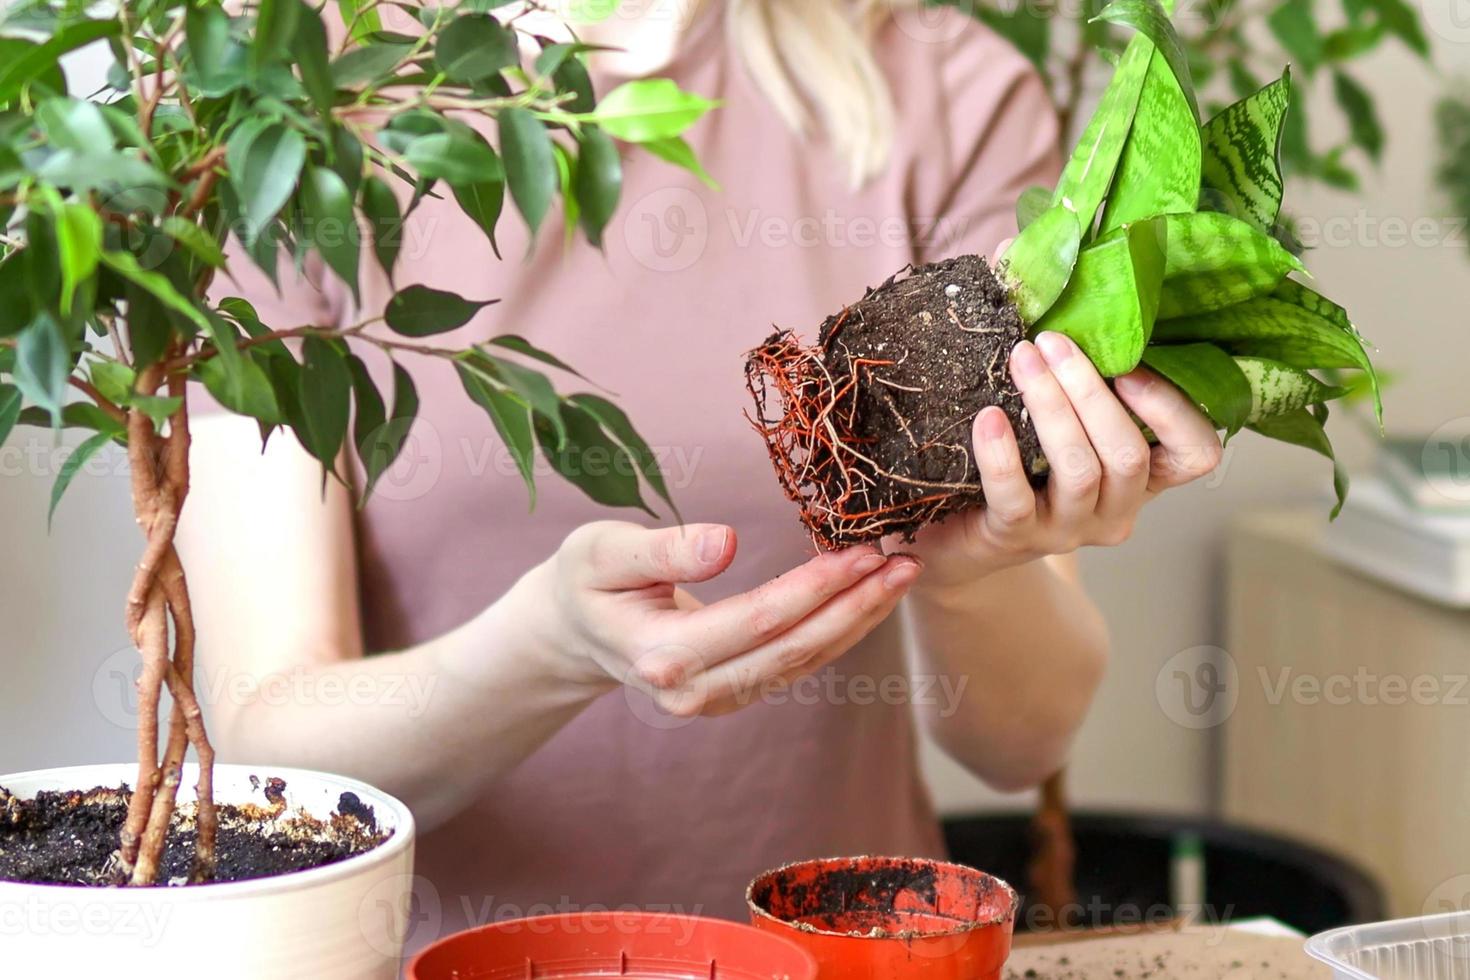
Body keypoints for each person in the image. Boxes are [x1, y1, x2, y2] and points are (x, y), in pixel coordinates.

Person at [177, 0, 1223, 949]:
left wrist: (969, 567)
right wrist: (549, 645)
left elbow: (1022, 735)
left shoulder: (939, 85)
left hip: (835, 956)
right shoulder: (299, 92)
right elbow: (273, 725)